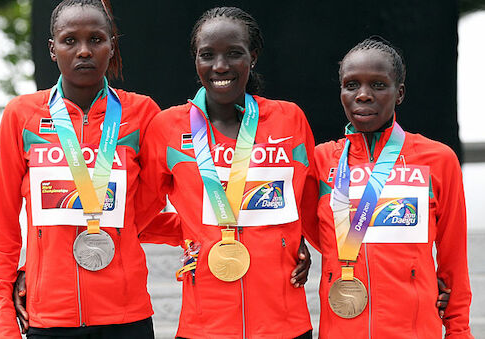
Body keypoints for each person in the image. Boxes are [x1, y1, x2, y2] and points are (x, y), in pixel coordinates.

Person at [0, 0, 173, 338]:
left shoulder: (143, 114)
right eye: (70, 40)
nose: (84, 51)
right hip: (49, 318)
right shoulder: (21, 115)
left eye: (96, 39)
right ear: (52, 49)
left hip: (126, 316)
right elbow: (3, 227)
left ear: (111, 45)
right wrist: (4, 320)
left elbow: (145, 210)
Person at [136, 7, 316, 338]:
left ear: (253, 57)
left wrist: (295, 238)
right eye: (208, 55)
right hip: (205, 325)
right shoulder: (167, 128)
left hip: (285, 322)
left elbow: (306, 202)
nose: (220, 66)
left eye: (234, 54)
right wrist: (194, 234)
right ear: (195, 60)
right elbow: (137, 217)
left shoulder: (289, 120)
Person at [306, 36, 473, 338]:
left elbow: (454, 263)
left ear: (400, 94)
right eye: (351, 84)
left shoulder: (437, 160)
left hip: (416, 330)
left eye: (379, 85)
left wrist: (459, 331)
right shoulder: (320, 160)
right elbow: (316, 233)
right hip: (341, 328)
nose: (364, 95)